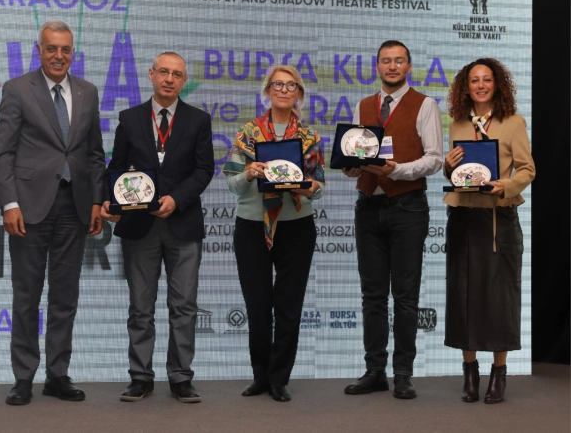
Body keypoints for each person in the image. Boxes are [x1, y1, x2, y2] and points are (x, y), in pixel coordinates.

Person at [0, 20, 105, 406]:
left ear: (73, 52)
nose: (59, 56)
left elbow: (94, 153)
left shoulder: (88, 92)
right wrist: (9, 203)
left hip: (75, 207)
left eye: (66, 49)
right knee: (26, 295)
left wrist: (96, 201)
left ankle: (58, 375)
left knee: (65, 296)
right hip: (28, 207)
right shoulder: (17, 89)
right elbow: (4, 153)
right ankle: (23, 377)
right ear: (39, 50)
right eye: (52, 48)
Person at [100, 52, 214, 403]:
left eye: (176, 74)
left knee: (184, 307)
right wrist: (110, 200)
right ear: (151, 75)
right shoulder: (130, 118)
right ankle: (140, 377)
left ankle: (181, 377)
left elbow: (204, 170)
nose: (169, 79)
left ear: (183, 81)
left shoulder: (198, 120)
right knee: (140, 307)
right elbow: (116, 168)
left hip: (183, 224)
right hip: (139, 226)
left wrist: (176, 199)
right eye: (163, 72)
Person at [342, 40, 443, 399]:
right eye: (386, 61)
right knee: (372, 295)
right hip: (368, 205)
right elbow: (358, 154)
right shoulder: (364, 105)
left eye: (399, 61)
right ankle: (375, 371)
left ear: (408, 67)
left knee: (405, 295)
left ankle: (403, 373)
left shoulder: (425, 104)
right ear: (377, 66)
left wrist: (396, 170)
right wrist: (352, 168)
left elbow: (434, 159)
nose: (392, 66)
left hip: (408, 207)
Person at [223, 65, 326, 402]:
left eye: (291, 85)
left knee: (289, 306)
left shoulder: (310, 137)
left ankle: (279, 378)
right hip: (252, 226)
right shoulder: (247, 133)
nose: (283, 90)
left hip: (297, 226)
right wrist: (249, 173)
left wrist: (308, 186)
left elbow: (319, 186)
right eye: (277, 85)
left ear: (299, 93)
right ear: (267, 91)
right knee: (257, 306)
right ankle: (260, 375)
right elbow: (232, 184)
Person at [442, 58, 535, 404]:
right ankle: (470, 373)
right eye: (474, 81)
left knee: (499, 298)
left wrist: (506, 186)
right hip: (463, 218)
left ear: (497, 85)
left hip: (498, 219)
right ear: (465, 88)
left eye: (487, 80)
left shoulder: (513, 123)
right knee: (463, 295)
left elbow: (527, 169)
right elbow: (456, 174)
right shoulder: (457, 123)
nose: (480, 85)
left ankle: (499, 373)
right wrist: (447, 167)